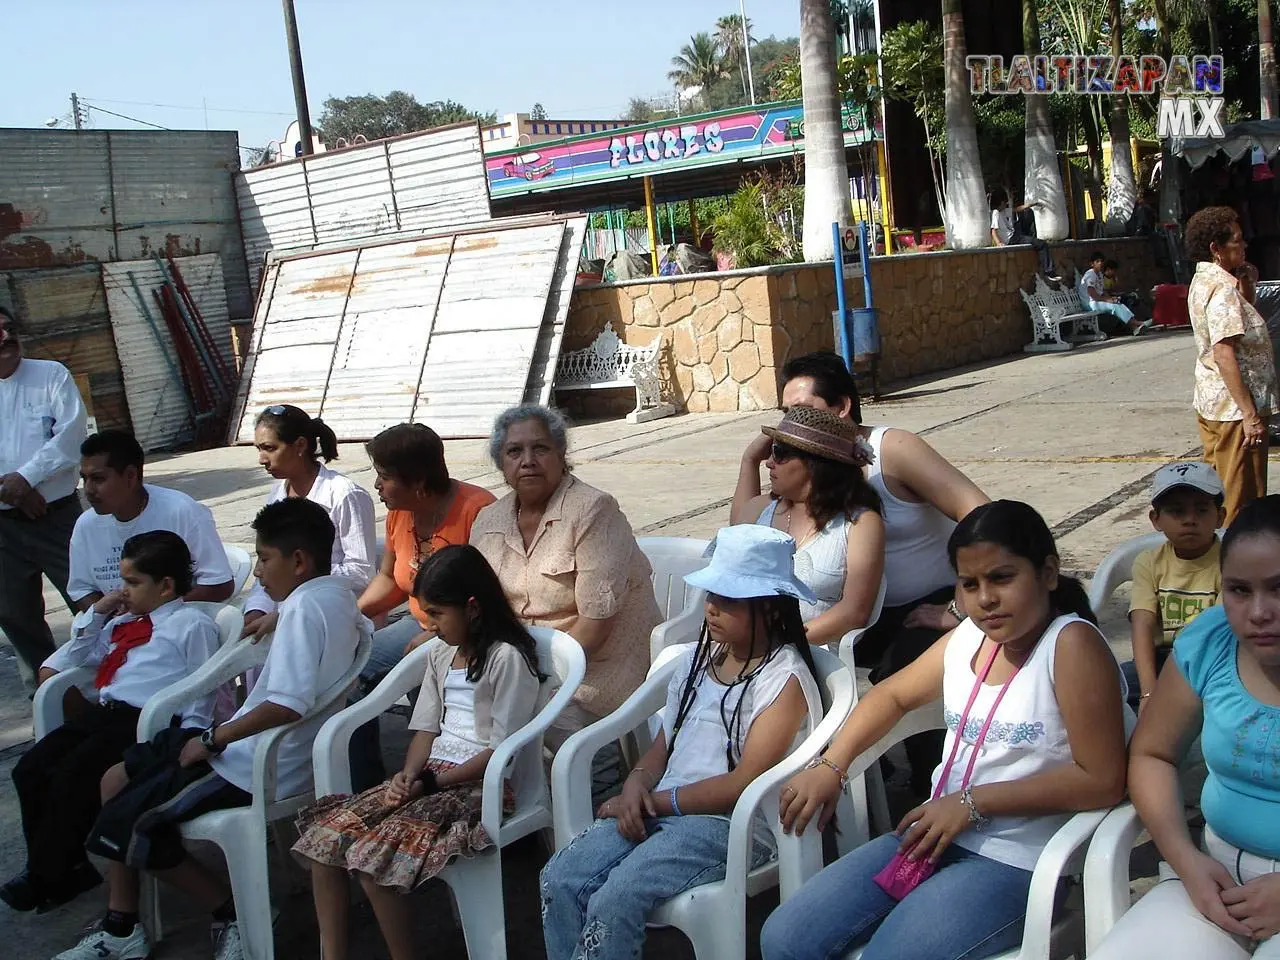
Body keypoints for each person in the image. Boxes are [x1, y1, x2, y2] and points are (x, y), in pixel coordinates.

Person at [759, 500, 1128, 960]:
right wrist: (832, 765)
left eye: (1002, 578)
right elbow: (891, 696)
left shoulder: (1070, 645)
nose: (986, 599)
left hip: (1019, 859)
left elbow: (1102, 779)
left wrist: (971, 804)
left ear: (1048, 574)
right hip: (934, 835)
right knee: (785, 938)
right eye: (969, 584)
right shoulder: (972, 636)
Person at [55, 498, 371, 960]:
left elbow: (285, 704)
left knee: (133, 823)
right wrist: (277, 615)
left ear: (298, 561)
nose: (258, 574)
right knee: (116, 778)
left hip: (251, 766)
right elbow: (335, 624)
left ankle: (229, 912)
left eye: (264, 559)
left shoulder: (304, 610)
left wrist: (211, 739)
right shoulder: (334, 595)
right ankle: (124, 924)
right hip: (257, 753)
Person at [539, 524, 823, 960]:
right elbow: (662, 748)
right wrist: (635, 787)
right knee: (560, 875)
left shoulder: (782, 678)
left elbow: (743, 782)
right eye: (712, 595)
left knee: (618, 896)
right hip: (663, 806)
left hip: (729, 825)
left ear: (769, 609)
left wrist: (652, 803)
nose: (711, 608)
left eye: (728, 599)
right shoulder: (696, 662)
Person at [737, 351, 989, 794]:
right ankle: (863, 771)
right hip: (854, 606)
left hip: (922, 603)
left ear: (841, 409)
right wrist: (749, 463)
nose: (792, 423)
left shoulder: (892, 451)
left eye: (804, 412)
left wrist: (960, 604)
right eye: (785, 415)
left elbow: (980, 514)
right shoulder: (790, 496)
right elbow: (744, 527)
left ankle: (933, 786)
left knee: (906, 669)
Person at [292, 544, 544, 960]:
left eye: (439, 614)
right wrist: (407, 775)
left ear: (473, 608)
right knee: (325, 842)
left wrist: (431, 782)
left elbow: (504, 749)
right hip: (430, 777)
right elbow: (425, 728)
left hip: (481, 784)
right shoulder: (442, 654)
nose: (430, 623)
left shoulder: (507, 659)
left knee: (372, 862)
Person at [1088, 495, 1280, 960]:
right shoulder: (1211, 640)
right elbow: (1153, 754)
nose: (1258, 613)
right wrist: (1184, 858)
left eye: (1279, 588)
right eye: (1238, 590)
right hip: (1214, 877)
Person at [2, 532, 219, 914]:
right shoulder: (125, 622)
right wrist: (99, 611)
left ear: (166, 586)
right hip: (108, 712)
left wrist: (191, 734)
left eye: (133, 583)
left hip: (144, 721)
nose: (124, 591)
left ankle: (46, 875)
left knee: (72, 775)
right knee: (31, 768)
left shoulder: (190, 624)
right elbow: (81, 654)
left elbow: (204, 686)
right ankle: (64, 868)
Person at [470, 404, 661, 769]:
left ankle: (590, 795)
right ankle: (507, 809)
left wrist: (530, 676)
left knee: (545, 720)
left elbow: (595, 626)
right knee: (459, 705)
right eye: (514, 451)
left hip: (599, 663)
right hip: (525, 662)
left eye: (540, 449)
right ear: (501, 463)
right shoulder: (489, 519)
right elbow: (481, 605)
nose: (528, 460)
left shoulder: (593, 510)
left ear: (561, 455)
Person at [347, 422, 496, 791]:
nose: (377, 487)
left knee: (421, 670)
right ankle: (364, 786)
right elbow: (390, 581)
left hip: (471, 629)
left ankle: (439, 777)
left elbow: (492, 597)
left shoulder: (478, 510)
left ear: (416, 480)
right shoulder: (400, 511)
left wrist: (434, 637)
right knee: (348, 672)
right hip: (420, 623)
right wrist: (349, 615)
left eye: (384, 477)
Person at [731, 405, 885, 646]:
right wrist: (748, 459)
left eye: (779, 452)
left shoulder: (860, 524)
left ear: (816, 463)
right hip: (748, 647)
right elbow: (727, 570)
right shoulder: (758, 508)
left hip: (813, 652)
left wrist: (780, 643)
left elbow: (854, 612)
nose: (769, 462)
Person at [0, 305, 88, 692]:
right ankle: (47, 697)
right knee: (16, 615)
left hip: (57, 518)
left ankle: (112, 688)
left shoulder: (51, 375)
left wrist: (26, 478)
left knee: (90, 602)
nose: (6, 337)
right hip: (4, 527)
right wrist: (15, 493)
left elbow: (71, 437)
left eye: (9, 327)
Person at [240, 404, 376, 640]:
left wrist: (288, 607)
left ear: (301, 445)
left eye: (270, 448)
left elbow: (361, 573)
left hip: (326, 615)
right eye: (259, 449)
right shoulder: (277, 495)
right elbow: (268, 564)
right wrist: (256, 609)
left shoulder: (344, 494)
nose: (262, 459)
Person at [62, 430, 234, 613]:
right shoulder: (86, 526)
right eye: (84, 478)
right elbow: (81, 589)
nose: (88, 490)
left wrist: (151, 614)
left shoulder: (182, 511)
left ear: (130, 476)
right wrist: (110, 619)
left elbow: (219, 584)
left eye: (98, 479)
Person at [1185, 205, 1279, 525]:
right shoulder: (1221, 289)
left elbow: (1235, 323)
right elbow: (1224, 352)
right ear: (1216, 248)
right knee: (1240, 501)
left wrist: (1247, 285)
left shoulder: (1206, 280)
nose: (1244, 245)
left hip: (1215, 404)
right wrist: (1250, 415)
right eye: (1237, 241)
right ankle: (1232, 564)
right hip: (1235, 411)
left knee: (1217, 489)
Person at [1122, 462, 1225, 713]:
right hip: (1159, 659)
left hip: (1213, 661)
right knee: (1108, 684)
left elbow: (1220, 633)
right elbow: (1142, 625)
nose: (1190, 520)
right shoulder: (1149, 562)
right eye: (1177, 512)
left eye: (1201, 510)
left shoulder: (1231, 561)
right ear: (1156, 519)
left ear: (1220, 517)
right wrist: (1149, 692)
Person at [1078, 249, 1150, 337]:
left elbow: (1102, 291)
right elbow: (1093, 295)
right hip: (1089, 304)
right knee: (1114, 307)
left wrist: (1111, 299)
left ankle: (1134, 328)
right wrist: (1108, 300)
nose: (1100, 263)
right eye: (1097, 261)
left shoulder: (1100, 274)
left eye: (1101, 261)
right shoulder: (1090, 274)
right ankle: (1138, 323)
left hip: (1096, 301)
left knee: (1118, 304)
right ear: (1092, 264)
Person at [989, 188, 1057, 278]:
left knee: (1027, 212)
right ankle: (1049, 271)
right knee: (1042, 244)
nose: (1006, 204)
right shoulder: (996, 213)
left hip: (1015, 234)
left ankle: (1033, 238)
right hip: (1012, 239)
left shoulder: (1004, 211)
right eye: (1005, 203)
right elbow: (993, 230)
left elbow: (1017, 209)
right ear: (1001, 202)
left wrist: (1032, 204)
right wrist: (998, 243)